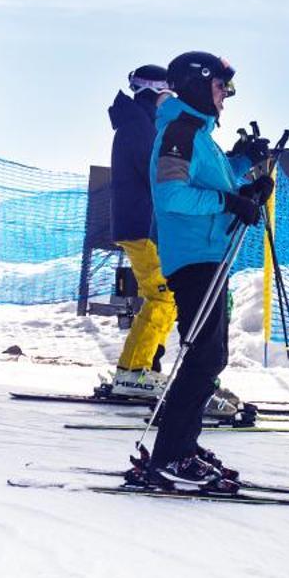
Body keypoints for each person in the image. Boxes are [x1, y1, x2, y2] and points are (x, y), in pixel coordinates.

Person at [142, 51, 273, 490]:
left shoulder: (197, 134)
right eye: (222, 86)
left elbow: (214, 182)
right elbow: (172, 194)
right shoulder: (181, 132)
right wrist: (229, 201)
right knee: (203, 356)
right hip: (193, 256)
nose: (227, 96)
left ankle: (183, 447)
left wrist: (244, 171)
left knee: (209, 356)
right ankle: (170, 455)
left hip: (208, 253)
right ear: (199, 84)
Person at [107, 65, 175, 397]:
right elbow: (158, 175)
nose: (170, 101)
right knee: (161, 297)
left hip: (140, 223)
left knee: (166, 298)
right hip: (140, 225)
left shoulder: (139, 123)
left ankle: (145, 364)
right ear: (156, 92)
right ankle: (133, 371)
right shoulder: (139, 127)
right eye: (168, 94)